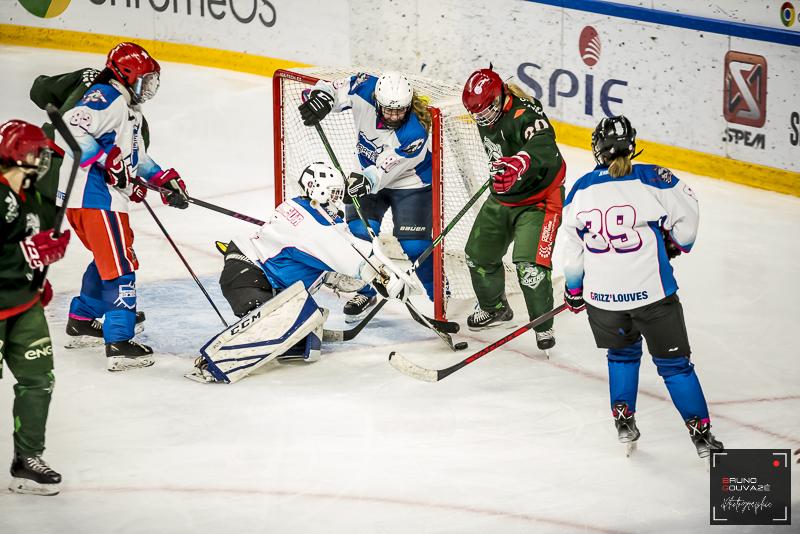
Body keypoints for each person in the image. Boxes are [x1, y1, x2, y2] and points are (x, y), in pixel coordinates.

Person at [561, 115, 723, 459]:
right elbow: (688, 220)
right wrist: (675, 243)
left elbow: (573, 253)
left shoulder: (580, 189)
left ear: (597, 149)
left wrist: (574, 291)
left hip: (603, 301)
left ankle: (623, 420)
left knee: (621, 356)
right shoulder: (653, 178)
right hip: (653, 296)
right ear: (631, 146)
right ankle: (702, 436)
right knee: (675, 367)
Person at [190, 162, 411, 383]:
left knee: (308, 340)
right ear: (318, 190)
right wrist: (385, 277)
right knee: (280, 325)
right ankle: (213, 363)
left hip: (247, 273)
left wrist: (345, 276)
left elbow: (321, 254)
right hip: (250, 278)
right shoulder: (313, 224)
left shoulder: (301, 209)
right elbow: (350, 254)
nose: (337, 200)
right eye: (334, 193)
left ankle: (288, 336)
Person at [57, 42, 189, 371]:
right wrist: (106, 161)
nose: (149, 87)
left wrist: (163, 180)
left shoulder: (129, 108)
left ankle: (82, 319)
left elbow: (135, 158)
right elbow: (69, 129)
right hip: (95, 198)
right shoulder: (108, 96)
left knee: (109, 259)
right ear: (126, 75)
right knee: (121, 267)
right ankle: (119, 341)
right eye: (145, 79)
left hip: (97, 200)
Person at [297, 71, 433, 324]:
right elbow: (332, 88)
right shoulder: (364, 86)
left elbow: (385, 168)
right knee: (360, 234)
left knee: (415, 246)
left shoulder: (415, 132)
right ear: (377, 101)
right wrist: (321, 97)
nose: (394, 116)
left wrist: (366, 180)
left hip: (410, 182)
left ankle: (440, 298)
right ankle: (367, 290)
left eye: (400, 111)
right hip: (367, 177)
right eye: (388, 110)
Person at [460, 68, 566, 351]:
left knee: (530, 267)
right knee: (477, 257)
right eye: (477, 114)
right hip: (504, 197)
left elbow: (545, 144)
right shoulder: (486, 113)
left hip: (540, 200)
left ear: (500, 97)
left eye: (486, 111)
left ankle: (543, 325)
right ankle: (494, 308)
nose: (482, 119)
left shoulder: (525, 114)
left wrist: (521, 162)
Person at [0, 120, 70, 495]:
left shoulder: (33, 196)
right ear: (18, 154)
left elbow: (36, 241)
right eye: (37, 152)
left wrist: (39, 269)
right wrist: (26, 255)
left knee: (38, 380)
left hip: (23, 304)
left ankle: (27, 459)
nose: (42, 159)